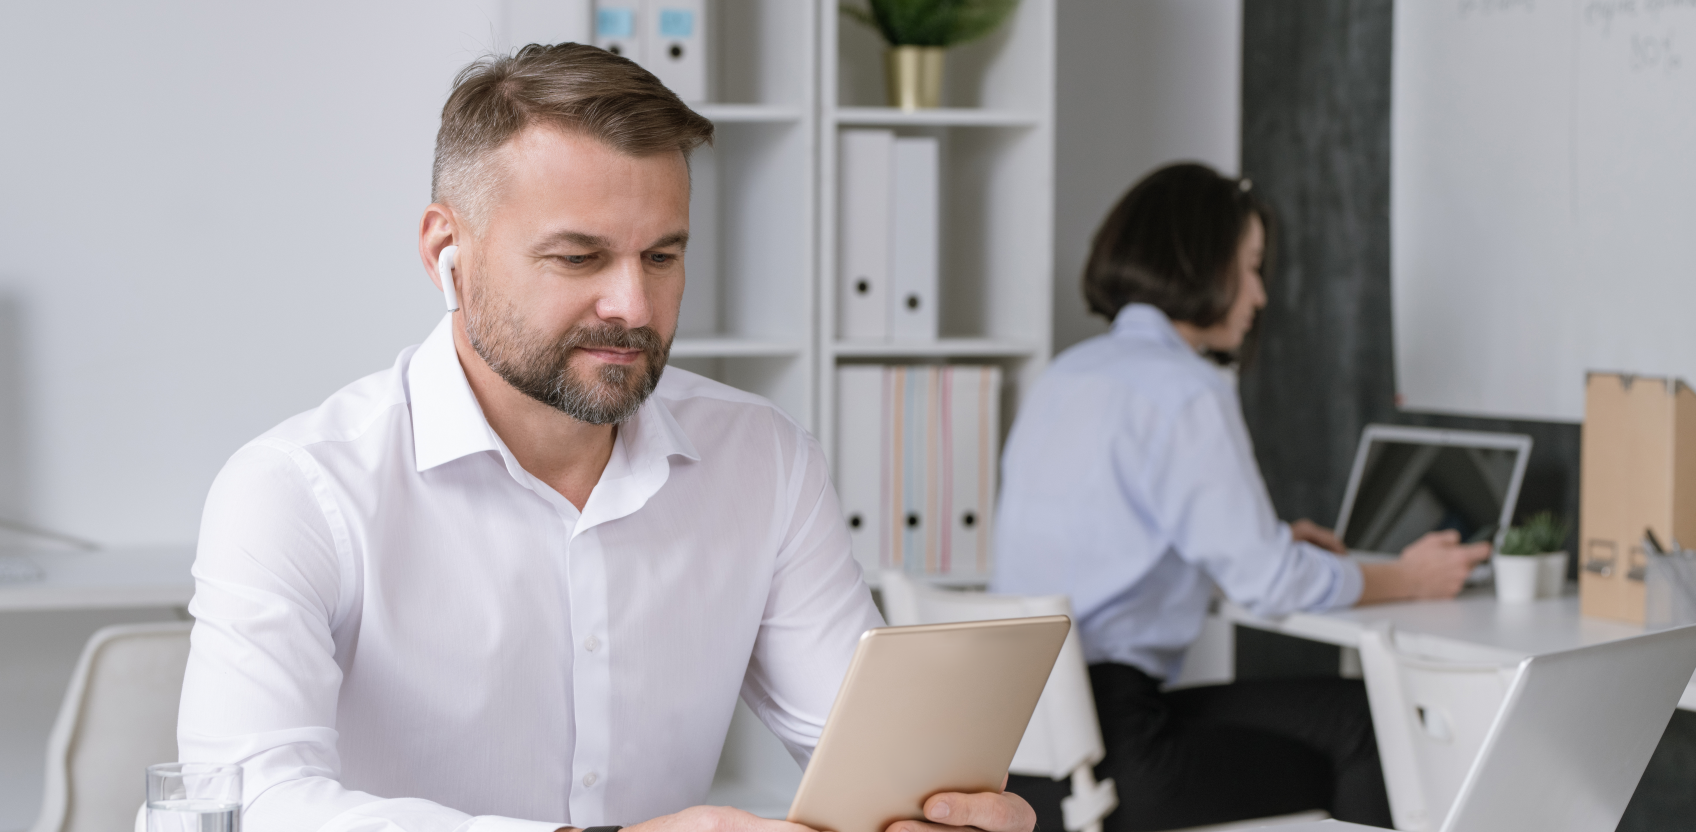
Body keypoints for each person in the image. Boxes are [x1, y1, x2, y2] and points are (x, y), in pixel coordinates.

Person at [176, 44, 1037, 832]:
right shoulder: (296, 490)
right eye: (579, 258)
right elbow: (249, 803)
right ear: (448, 250)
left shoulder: (763, 461)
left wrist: (940, 814)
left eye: (662, 257)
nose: (632, 306)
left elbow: (874, 767)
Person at [991, 163, 1490, 831]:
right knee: (1370, 724)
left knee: (1349, 715)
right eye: (1251, 267)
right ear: (1198, 261)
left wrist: (1268, 536)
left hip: (1022, 756)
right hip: (1121, 755)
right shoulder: (1187, 389)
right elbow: (1270, 583)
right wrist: (1408, 576)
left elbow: (1126, 529)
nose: (1258, 296)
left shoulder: (1066, 375)